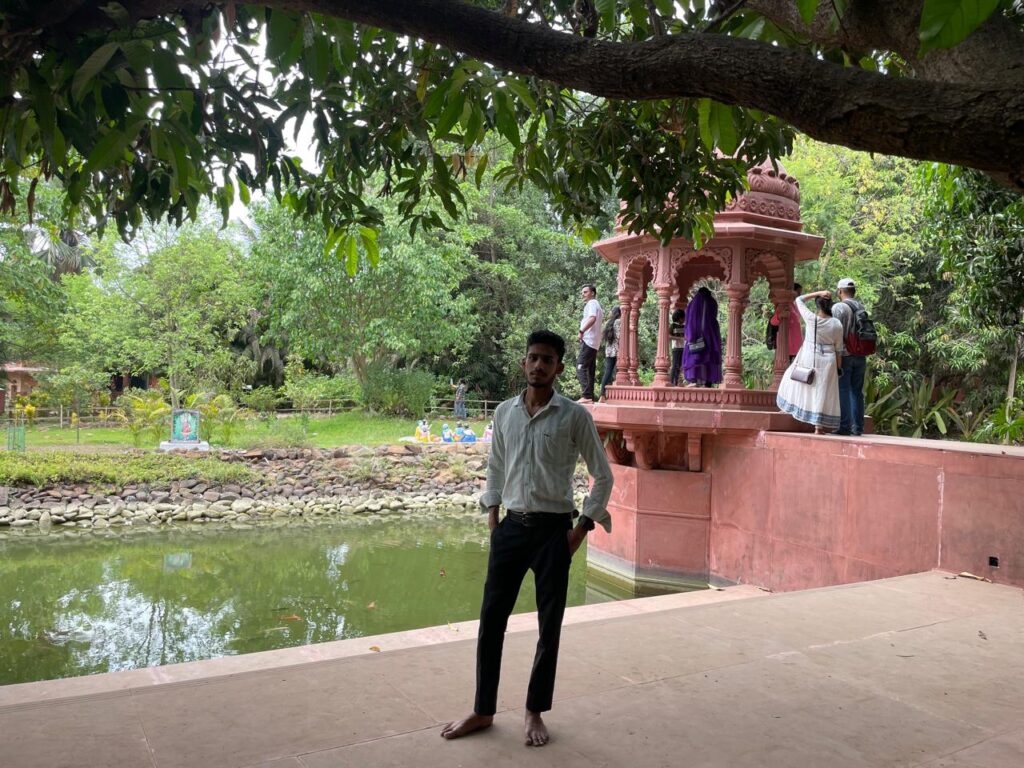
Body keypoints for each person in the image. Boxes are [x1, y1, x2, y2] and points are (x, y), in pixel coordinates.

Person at [441, 329, 613, 747]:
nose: (538, 365)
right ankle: (483, 710)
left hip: (555, 532)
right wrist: (493, 517)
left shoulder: (574, 416)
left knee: (548, 626)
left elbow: (603, 475)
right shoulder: (504, 413)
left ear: (558, 368)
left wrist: (581, 530)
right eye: (533, 357)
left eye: (547, 360)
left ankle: (534, 710)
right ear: (524, 362)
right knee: (491, 622)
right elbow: (496, 467)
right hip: (510, 529)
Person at [776, 290, 844, 434]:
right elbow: (839, 349)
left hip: (810, 357)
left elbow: (799, 300)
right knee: (822, 390)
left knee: (797, 382)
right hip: (829, 361)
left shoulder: (811, 318)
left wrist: (819, 293)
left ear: (817, 305)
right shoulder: (836, 324)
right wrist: (839, 368)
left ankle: (791, 408)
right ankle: (818, 427)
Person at [831, 278, 868, 436]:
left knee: (843, 390)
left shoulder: (838, 307)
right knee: (857, 391)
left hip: (845, 355)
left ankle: (844, 426)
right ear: (854, 291)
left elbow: (835, 331)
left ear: (840, 291)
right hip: (860, 355)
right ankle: (858, 427)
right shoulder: (861, 307)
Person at [682, 286, 722, 387]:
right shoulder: (711, 302)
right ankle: (708, 381)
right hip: (710, 334)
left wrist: (690, 335)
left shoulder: (693, 303)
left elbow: (689, 321)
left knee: (696, 356)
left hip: (695, 334)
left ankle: (695, 380)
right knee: (709, 356)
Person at [576, 284, 603, 403]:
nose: (583, 294)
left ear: (592, 293)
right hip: (594, 342)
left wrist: (581, 331)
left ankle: (586, 396)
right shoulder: (597, 305)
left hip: (589, 340)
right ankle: (590, 397)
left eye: (585, 292)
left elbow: (592, 318)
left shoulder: (592, 303)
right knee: (589, 370)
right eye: (582, 292)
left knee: (580, 366)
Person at [770, 283, 804, 362]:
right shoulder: (784, 304)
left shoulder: (794, 305)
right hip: (787, 344)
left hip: (796, 343)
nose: (799, 295)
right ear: (792, 292)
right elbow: (773, 322)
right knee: (785, 366)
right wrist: (780, 316)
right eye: (798, 292)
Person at [598, 305, 621, 401]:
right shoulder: (619, 321)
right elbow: (620, 336)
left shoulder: (608, 323)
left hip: (609, 350)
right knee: (618, 372)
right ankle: (616, 395)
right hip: (618, 350)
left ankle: (602, 394)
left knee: (608, 371)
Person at [669, 309, 686, 385]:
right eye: (683, 317)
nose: (684, 319)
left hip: (684, 348)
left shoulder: (684, 326)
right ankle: (672, 382)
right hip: (676, 348)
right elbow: (669, 336)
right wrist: (679, 338)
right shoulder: (673, 326)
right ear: (680, 318)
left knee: (681, 366)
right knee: (675, 365)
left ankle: (678, 382)